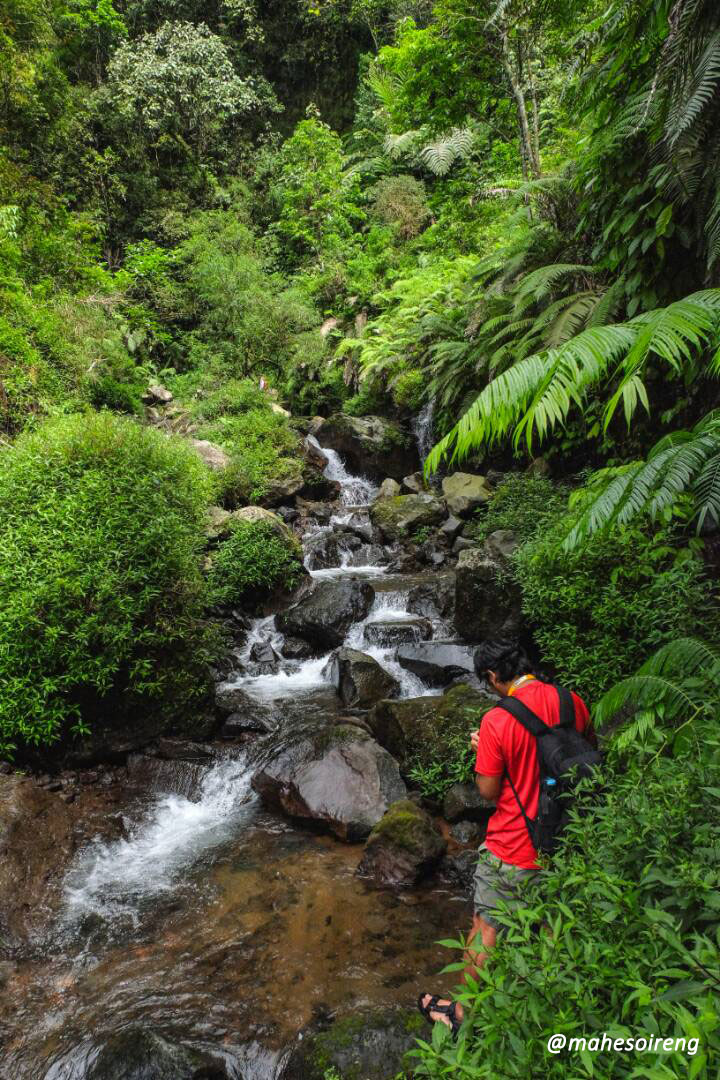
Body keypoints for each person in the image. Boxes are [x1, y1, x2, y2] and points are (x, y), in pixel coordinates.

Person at [418, 638, 593, 1037]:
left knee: (486, 928)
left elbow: (488, 791)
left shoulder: (497, 720)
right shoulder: (572, 701)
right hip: (567, 841)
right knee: (552, 927)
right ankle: (550, 1008)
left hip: (514, 844)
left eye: (487, 681)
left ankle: (463, 1017)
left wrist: (483, 750)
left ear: (494, 677)